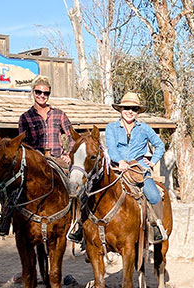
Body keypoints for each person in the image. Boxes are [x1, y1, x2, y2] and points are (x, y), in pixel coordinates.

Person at [69, 92, 167, 244]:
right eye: (126, 108)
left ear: (138, 111)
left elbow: (160, 145)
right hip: (115, 167)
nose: (130, 111)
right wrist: (119, 161)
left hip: (138, 168)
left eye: (134, 109)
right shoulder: (111, 128)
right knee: (86, 192)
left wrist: (153, 161)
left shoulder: (144, 128)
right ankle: (80, 227)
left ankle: (156, 227)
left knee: (154, 196)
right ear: (120, 110)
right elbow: (112, 148)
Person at [0, 76, 73, 236]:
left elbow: (71, 136)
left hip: (56, 159)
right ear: (33, 92)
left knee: (75, 185)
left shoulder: (59, 114)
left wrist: (68, 154)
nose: (42, 95)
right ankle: (4, 221)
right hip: (34, 161)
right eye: (38, 92)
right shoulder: (25, 117)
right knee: (11, 185)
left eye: (46, 93)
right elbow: (22, 143)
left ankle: (78, 225)